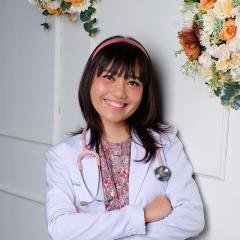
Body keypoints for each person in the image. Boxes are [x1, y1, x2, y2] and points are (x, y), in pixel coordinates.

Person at [45, 35, 204, 240]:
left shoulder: (165, 144)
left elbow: (191, 218)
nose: (119, 92)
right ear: (89, 80)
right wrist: (144, 215)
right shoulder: (62, 155)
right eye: (109, 77)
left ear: (144, 92)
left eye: (132, 81)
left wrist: (94, 229)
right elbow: (61, 229)